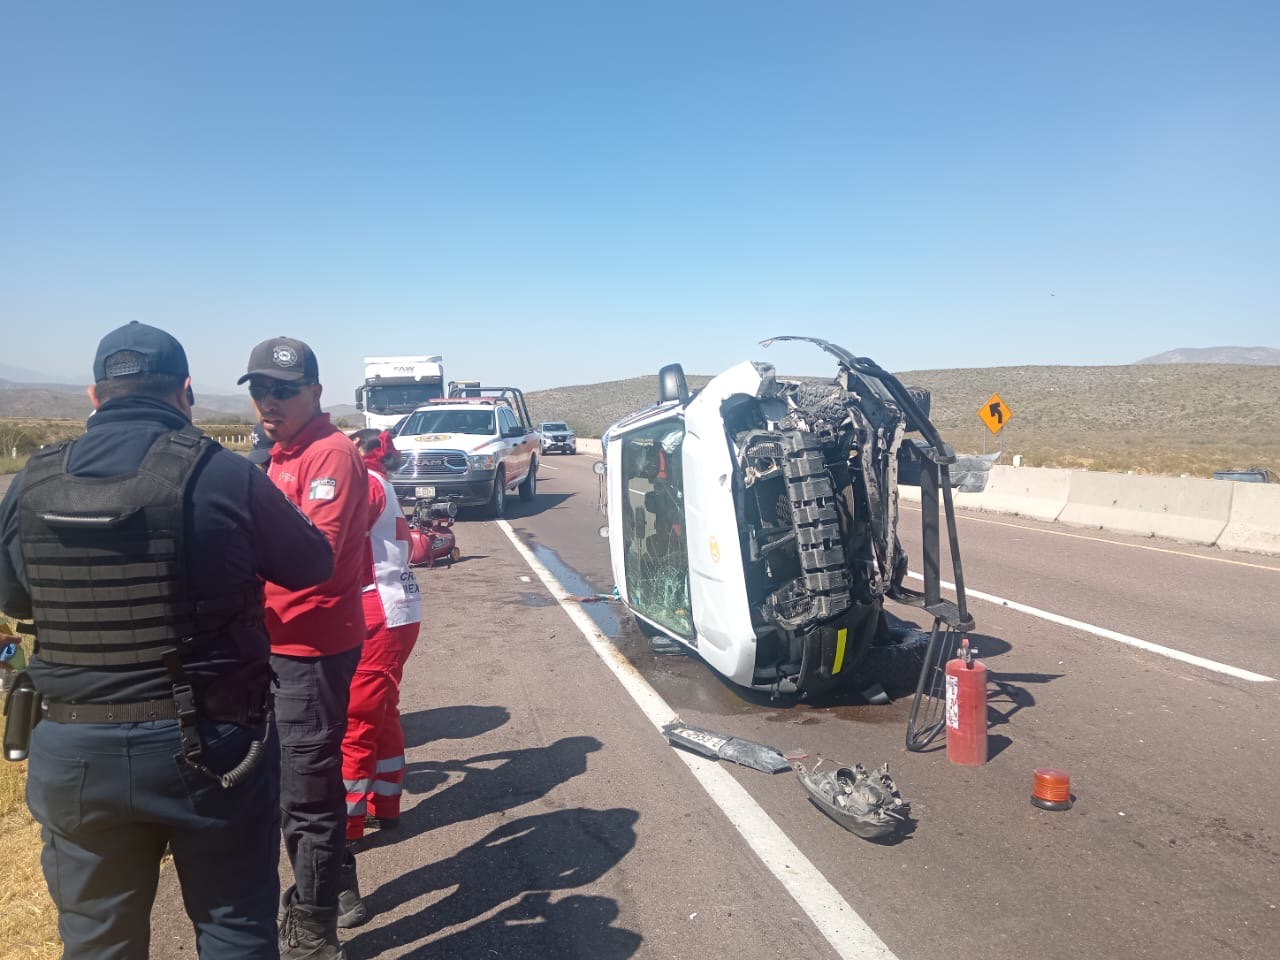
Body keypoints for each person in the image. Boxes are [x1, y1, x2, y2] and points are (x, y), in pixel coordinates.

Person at [0, 321, 335, 960]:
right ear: (185, 392)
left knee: (98, 941)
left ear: (93, 397)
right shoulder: (221, 472)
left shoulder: (33, 480)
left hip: (75, 750)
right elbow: (312, 564)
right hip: (209, 748)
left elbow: (14, 599)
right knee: (234, 928)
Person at [239, 336, 369, 960]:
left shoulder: (330, 455)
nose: (269, 400)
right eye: (260, 389)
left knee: (304, 794)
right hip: (278, 641)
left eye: (283, 389)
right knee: (298, 782)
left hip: (311, 647)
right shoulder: (279, 455)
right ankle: (339, 885)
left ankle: (314, 934)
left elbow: (315, 562)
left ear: (316, 391)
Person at [339, 430, 424, 926]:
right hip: (397, 608)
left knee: (356, 720)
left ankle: (347, 828)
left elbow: (333, 540)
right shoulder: (381, 481)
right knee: (382, 710)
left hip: (377, 612)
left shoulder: (366, 485)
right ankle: (385, 805)